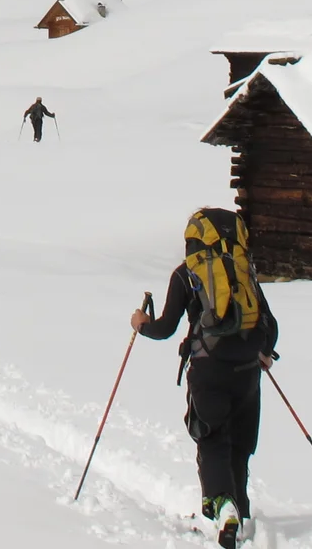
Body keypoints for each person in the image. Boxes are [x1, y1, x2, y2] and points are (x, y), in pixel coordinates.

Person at [130, 207, 279, 548]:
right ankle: (239, 511)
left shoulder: (186, 274)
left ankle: (221, 506)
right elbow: (269, 323)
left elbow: (165, 327)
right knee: (239, 445)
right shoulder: (244, 271)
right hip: (247, 372)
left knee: (212, 440)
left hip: (208, 368)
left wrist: (140, 323)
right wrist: (264, 353)